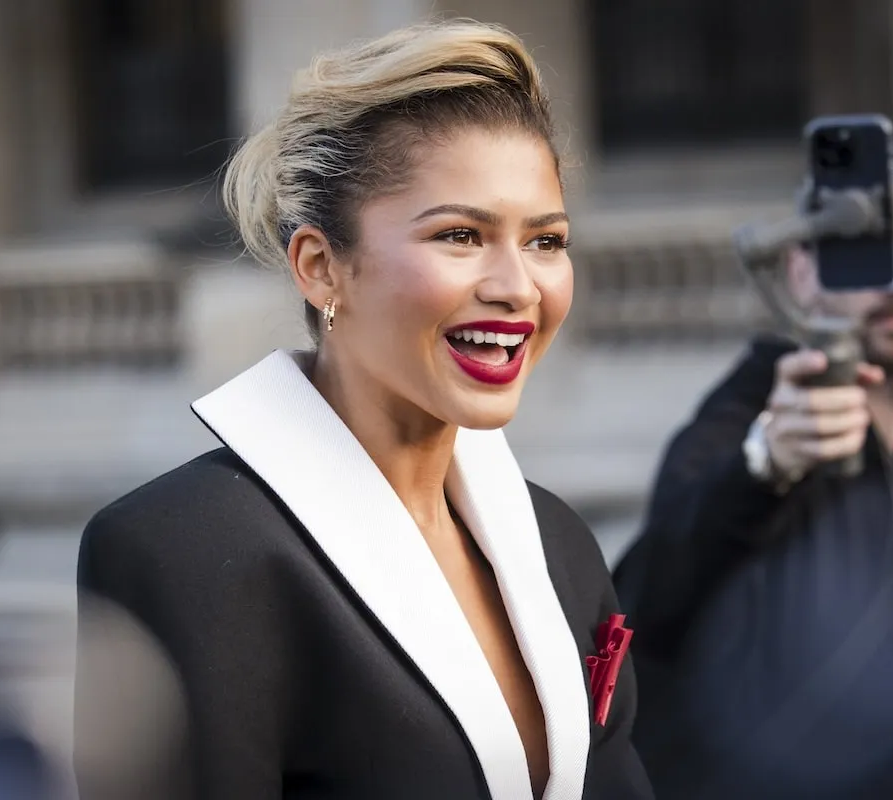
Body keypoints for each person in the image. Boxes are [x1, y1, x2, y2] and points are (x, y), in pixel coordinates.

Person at [73, 19, 653, 800]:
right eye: (460, 235)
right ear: (320, 268)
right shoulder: (178, 553)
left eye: (546, 241)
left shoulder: (559, 544)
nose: (519, 287)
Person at [613, 125, 893, 799]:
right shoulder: (739, 428)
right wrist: (765, 465)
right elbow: (649, 595)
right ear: (799, 269)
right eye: (865, 242)